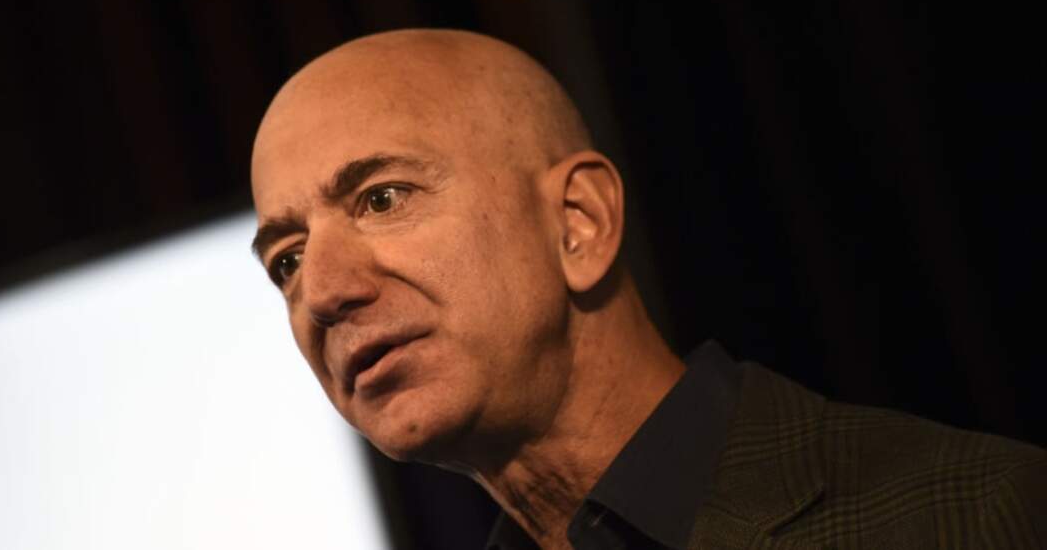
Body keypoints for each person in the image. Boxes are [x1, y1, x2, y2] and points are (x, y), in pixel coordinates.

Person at [249, 29, 1045, 549]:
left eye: (382, 198)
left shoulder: (975, 516)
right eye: (286, 260)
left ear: (580, 223)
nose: (322, 290)